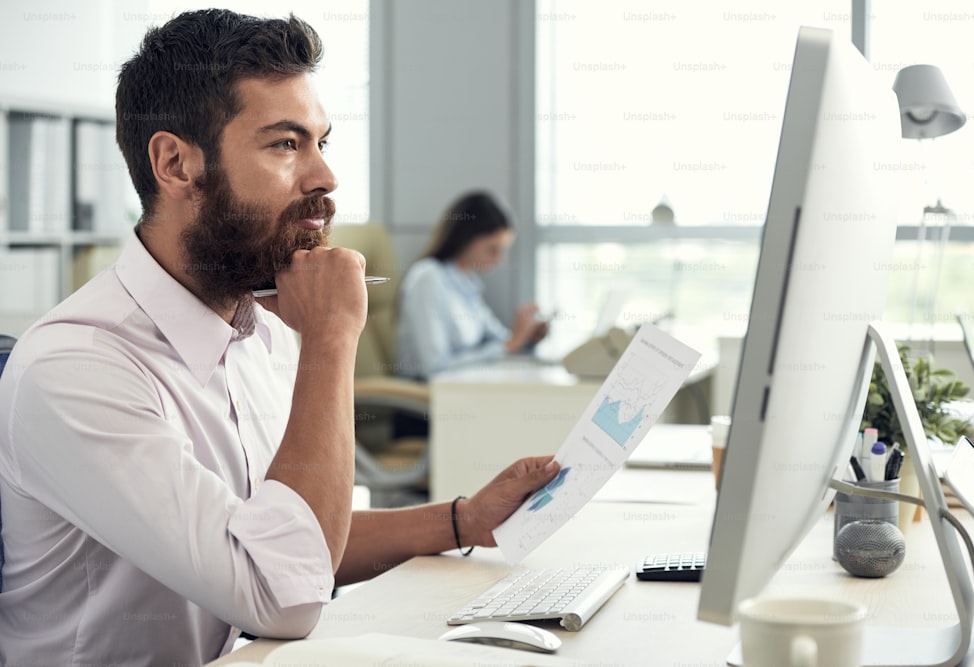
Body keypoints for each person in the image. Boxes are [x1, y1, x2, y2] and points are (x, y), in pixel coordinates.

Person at [0, 11, 558, 666]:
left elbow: (287, 539)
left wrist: (465, 520)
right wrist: (331, 335)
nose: (325, 177)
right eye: (286, 144)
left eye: (321, 142)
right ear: (176, 164)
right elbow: (279, 589)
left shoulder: (258, 330)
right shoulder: (79, 366)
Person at [395, 191, 549, 381]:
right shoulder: (428, 278)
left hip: (464, 390)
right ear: (466, 239)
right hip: (429, 400)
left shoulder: (467, 283)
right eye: (493, 249)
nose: (499, 260)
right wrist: (508, 346)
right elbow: (435, 367)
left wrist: (527, 338)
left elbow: (499, 340)